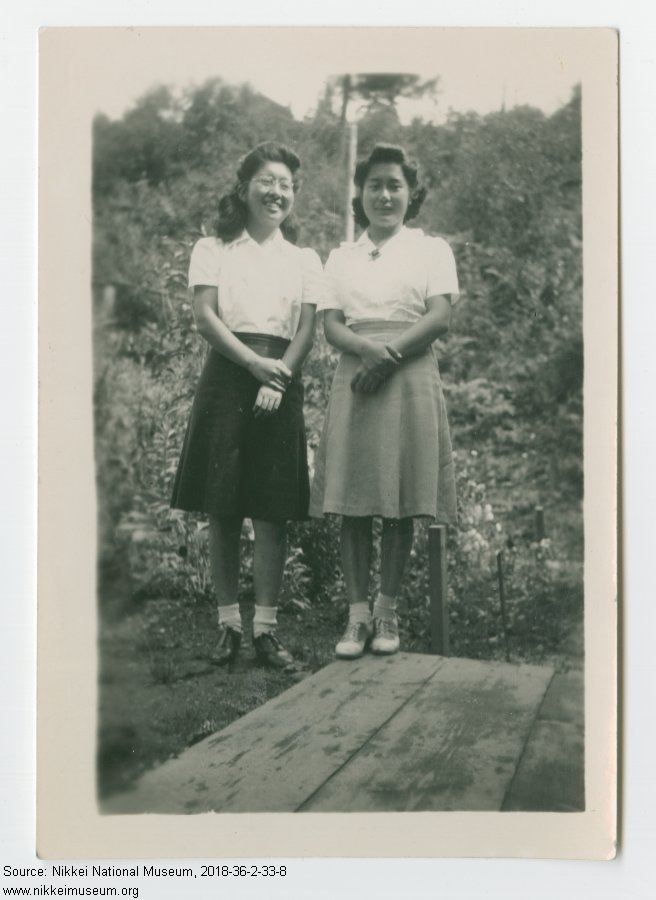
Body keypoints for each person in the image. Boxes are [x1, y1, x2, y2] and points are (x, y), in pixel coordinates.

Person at [171, 142, 322, 670]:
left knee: (274, 507)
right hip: (228, 374)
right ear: (245, 187)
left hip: (282, 374)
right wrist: (252, 367)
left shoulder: (304, 259)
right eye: (267, 181)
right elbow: (205, 317)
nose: (276, 192)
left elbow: (307, 328)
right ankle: (229, 626)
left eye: (285, 184)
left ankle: (266, 631)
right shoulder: (213, 247)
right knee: (224, 505)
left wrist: (276, 378)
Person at [310, 143, 459, 659]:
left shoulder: (431, 249)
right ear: (361, 193)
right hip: (356, 373)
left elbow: (438, 317)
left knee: (397, 500)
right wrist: (367, 351)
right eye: (375, 184)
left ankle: (387, 612)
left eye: (395, 184)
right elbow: (330, 324)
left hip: (408, 368)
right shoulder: (341, 256)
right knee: (353, 498)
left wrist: (389, 354)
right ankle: (355, 618)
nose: (385, 194)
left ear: (411, 193)